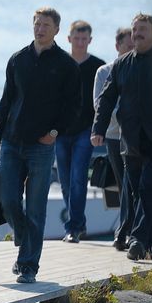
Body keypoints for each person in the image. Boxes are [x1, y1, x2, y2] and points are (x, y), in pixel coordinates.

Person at [0, 7, 81, 284]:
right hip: (11, 141)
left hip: (42, 145)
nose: (40, 29)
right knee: (8, 201)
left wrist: (54, 132)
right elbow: (6, 100)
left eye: (46, 25)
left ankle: (28, 265)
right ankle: (23, 235)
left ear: (56, 30)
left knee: (36, 208)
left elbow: (73, 107)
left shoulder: (66, 65)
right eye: (37, 24)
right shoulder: (18, 59)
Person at [93, 13, 152, 260]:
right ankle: (150, 242)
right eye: (134, 30)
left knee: (148, 188)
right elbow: (106, 98)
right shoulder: (122, 64)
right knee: (136, 193)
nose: (137, 34)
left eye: (142, 29)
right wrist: (98, 129)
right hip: (130, 140)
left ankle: (138, 240)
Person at [55, 21, 106, 242]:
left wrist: (99, 127)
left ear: (90, 40)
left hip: (86, 130)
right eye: (76, 38)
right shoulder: (60, 63)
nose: (80, 42)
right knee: (65, 181)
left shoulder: (98, 66)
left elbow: (103, 101)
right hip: (61, 131)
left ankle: (73, 227)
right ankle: (79, 221)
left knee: (78, 177)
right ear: (69, 39)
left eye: (84, 39)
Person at [94, 27, 134, 250]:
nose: (131, 50)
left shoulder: (137, 68)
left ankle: (126, 231)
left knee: (131, 184)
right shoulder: (104, 71)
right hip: (113, 135)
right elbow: (99, 104)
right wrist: (127, 115)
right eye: (128, 46)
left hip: (135, 136)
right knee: (122, 184)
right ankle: (125, 230)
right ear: (117, 46)